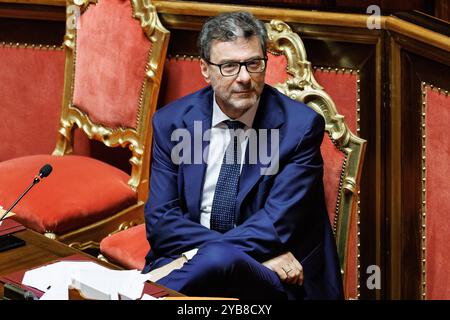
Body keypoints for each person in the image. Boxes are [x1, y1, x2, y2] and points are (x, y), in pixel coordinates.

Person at [142, 11, 343, 300]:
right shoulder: (171, 122)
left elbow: (274, 228)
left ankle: (141, 295)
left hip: (278, 280)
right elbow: (162, 222)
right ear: (205, 69)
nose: (244, 78)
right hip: (249, 259)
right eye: (229, 66)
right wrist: (229, 254)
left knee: (218, 258)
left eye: (253, 63)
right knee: (217, 257)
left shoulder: (299, 128)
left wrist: (207, 256)